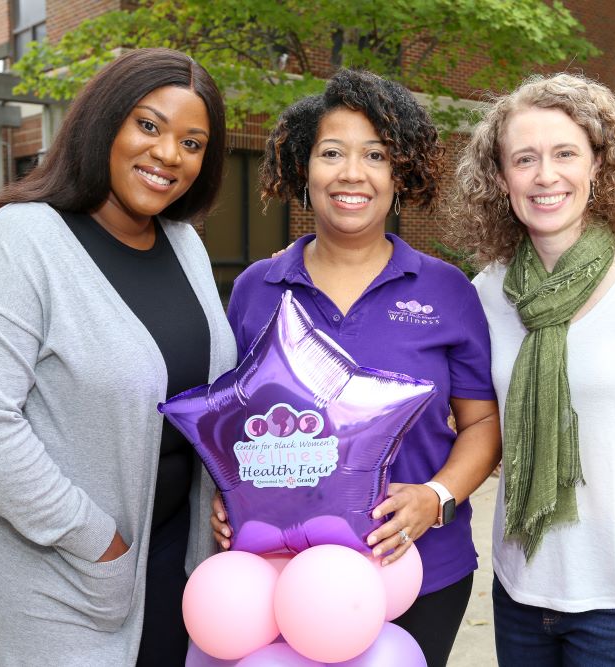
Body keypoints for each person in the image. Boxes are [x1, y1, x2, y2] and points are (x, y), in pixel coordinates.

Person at [0, 49, 236, 665]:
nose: (168, 154)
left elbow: (207, 396)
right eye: (148, 125)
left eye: (192, 141)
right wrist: (97, 542)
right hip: (57, 573)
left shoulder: (185, 245)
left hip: (176, 558)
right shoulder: (20, 241)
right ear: (104, 122)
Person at [212, 68, 502, 667]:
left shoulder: (447, 291)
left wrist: (435, 496)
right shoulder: (256, 289)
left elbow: (482, 425)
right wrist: (226, 495)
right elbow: (231, 424)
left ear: (400, 173)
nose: (352, 173)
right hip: (280, 576)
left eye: (375, 155)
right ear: (303, 168)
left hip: (420, 569)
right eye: (332, 153)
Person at [447, 72, 615, 667]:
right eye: (525, 158)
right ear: (500, 178)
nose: (546, 175)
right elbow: (461, 423)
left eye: (565, 153)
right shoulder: (484, 294)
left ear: (598, 165)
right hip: (519, 591)